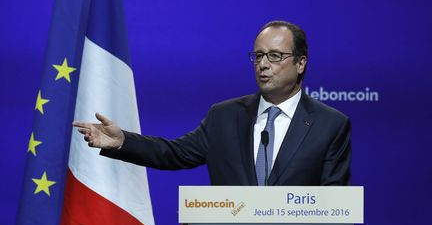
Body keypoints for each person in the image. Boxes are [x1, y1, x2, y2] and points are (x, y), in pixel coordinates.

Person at [73, 20, 351, 186]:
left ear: (301, 63)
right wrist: (123, 141)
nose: (263, 65)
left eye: (275, 56)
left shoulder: (330, 124)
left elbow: (334, 202)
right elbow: (174, 153)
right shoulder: (224, 116)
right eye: (258, 56)